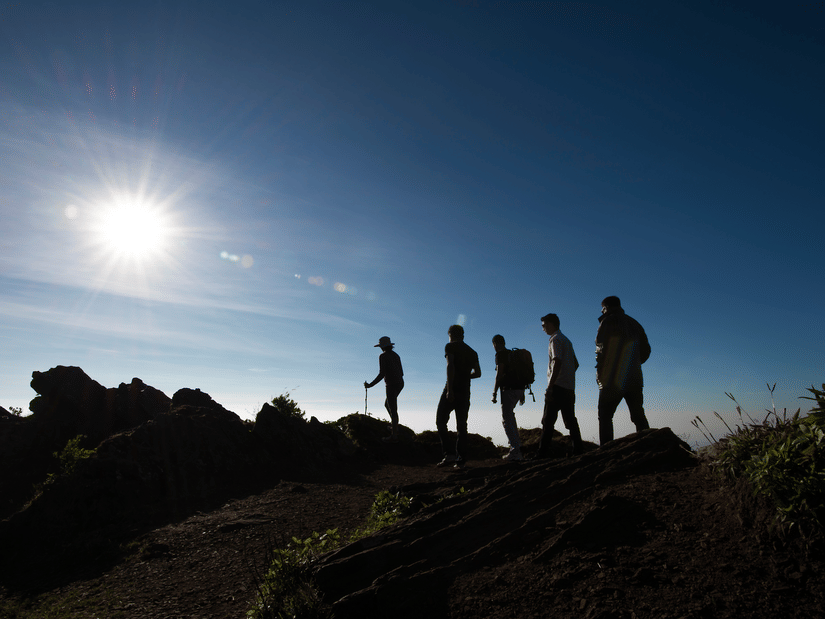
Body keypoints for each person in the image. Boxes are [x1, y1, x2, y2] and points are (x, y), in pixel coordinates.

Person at [595, 296, 651, 444]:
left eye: (602, 308)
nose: (601, 311)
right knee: (638, 414)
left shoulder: (607, 322)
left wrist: (600, 373)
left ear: (606, 307)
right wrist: (634, 364)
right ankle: (649, 445)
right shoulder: (635, 323)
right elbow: (647, 350)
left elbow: (600, 349)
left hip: (612, 378)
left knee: (605, 415)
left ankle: (606, 451)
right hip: (635, 377)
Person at [536, 313, 583, 457]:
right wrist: (567, 376)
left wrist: (551, 386)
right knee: (570, 421)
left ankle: (542, 454)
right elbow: (575, 364)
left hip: (557, 387)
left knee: (548, 421)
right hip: (569, 387)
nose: (543, 329)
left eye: (544, 325)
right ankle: (578, 450)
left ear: (551, 324)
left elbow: (556, 361)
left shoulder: (555, 340)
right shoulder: (566, 340)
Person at [436, 324, 481, 469]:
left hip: (452, 388)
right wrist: (464, 376)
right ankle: (461, 460)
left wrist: (449, 390)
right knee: (462, 425)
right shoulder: (472, 352)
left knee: (440, 421)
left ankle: (449, 454)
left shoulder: (450, 346)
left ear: (450, 334)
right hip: (465, 391)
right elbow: (478, 373)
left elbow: (450, 366)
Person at [364, 336, 404, 442]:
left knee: (392, 407)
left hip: (391, 384)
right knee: (389, 404)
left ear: (382, 347)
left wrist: (370, 385)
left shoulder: (383, 356)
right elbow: (402, 372)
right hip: (400, 383)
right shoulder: (396, 355)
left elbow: (382, 373)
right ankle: (394, 427)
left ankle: (394, 435)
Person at [491, 334, 525, 461]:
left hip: (508, 390)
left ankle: (515, 450)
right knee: (510, 416)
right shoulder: (513, 354)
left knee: (507, 419)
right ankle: (517, 447)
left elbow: (499, 374)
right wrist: (522, 394)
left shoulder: (500, 354)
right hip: (519, 389)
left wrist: (494, 392)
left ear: (495, 344)